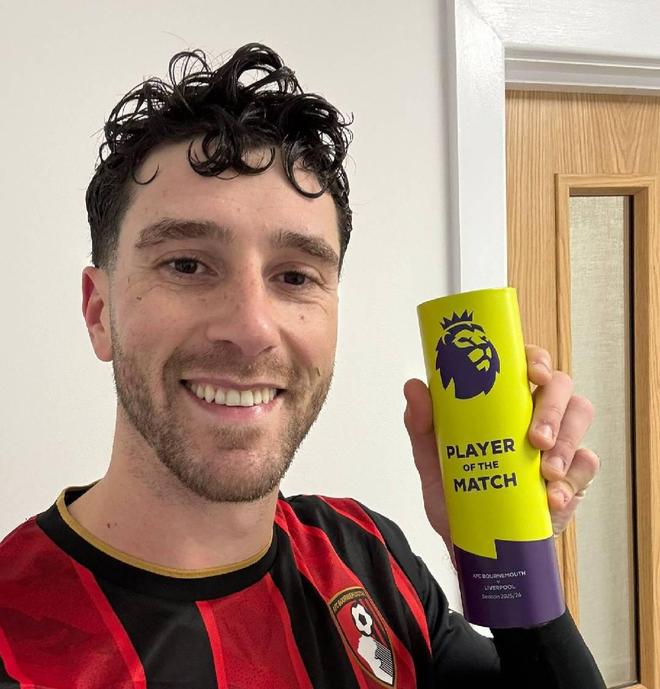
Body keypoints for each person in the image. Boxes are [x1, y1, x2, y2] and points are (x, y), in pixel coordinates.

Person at [0, 43, 604, 688]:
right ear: (99, 313)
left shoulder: (367, 555)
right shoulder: (15, 637)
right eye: (187, 264)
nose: (252, 329)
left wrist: (506, 543)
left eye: (295, 276)